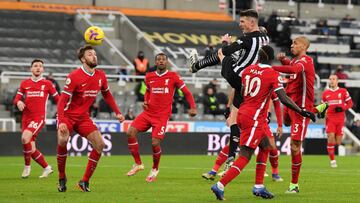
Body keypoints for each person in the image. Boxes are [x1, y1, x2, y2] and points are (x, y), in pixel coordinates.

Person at [210, 45, 316, 200]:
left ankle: (258, 186)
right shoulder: (272, 73)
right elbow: (283, 98)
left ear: (258, 57)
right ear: (271, 59)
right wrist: (301, 110)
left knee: (266, 146)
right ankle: (220, 185)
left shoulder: (248, 70)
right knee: (245, 155)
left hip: (246, 113)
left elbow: (241, 90)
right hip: (254, 118)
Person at [189, 9, 270, 169]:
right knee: (234, 120)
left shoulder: (246, 39)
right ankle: (231, 159)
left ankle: (195, 66)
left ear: (252, 22)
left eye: (242, 21)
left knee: (221, 52)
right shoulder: (264, 38)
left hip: (236, 74)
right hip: (248, 83)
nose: (240, 24)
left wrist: (225, 41)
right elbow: (262, 33)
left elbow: (226, 51)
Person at [56, 45, 125, 192]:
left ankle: (84, 181)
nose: (94, 56)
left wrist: (117, 112)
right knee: (63, 139)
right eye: (90, 54)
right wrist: (61, 120)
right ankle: (62, 177)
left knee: (100, 144)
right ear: (83, 59)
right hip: (68, 116)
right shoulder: (74, 76)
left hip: (83, 118)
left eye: (94, 54)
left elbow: (107, 95)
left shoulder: (101, 75)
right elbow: (62, 101)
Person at [126, 53, 197, 182]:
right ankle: (138, 163)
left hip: (162, 116)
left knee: (155, 142)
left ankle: (155, 168)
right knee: (130, 132)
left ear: (167, 62)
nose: (161, 61)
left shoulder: (173, 76)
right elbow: (148, 91)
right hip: (148, 113)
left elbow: (186, 92)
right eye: (158, 59)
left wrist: (193, 107)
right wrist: (146, 101)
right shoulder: (149, 76)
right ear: (155, 62)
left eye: (163, 59)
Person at [271, 36, 325, 193]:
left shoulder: (306, 61)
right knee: (287, 124)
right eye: (292, 42)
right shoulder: (295, 61)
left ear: (304, 47)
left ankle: (294, 185)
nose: (291, 45)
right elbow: (292, 68)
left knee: (295, 147)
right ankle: (319, 108)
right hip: (289, 103)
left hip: (301, 108)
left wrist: (271, 68)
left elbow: (294, 70)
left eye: (295, 43)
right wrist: (284, 61)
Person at [202, 91, 284, 182]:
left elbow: (273, 99)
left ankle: (275, 173)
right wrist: (229, 109)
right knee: (233, 142)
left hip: (261, 120)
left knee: (271, 146)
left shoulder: (267, 81)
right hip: (246, 117)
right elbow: (234, 91)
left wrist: (270, 115)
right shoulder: (245, 79)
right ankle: (213, 171)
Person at [13, 59, 59, 179]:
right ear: (31, 69)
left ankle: (27, 167)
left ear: (43, 69)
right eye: (35, 66)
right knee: (31, 148)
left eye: (40, 66)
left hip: (38, 117)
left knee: (24, 138)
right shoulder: (24, 83)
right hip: (26, 118)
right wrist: (18, 102)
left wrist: (64, 111)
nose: (38, 68)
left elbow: (58, 99)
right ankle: (47, 168)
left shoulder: (48, 84)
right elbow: (16, 98)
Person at [321, 75, 353, 167]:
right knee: (331, 137)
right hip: (330, 118)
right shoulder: (325, 93)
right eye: (330, 79)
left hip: (340, 119)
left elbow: (350, 103)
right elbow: (323, 106)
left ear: (337, 81)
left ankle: (331, 147)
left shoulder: (343, 91)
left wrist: (343, 108)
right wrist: (321, 112)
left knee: (338, 142)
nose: (331, 81)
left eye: (333, 79)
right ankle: (332, 161)